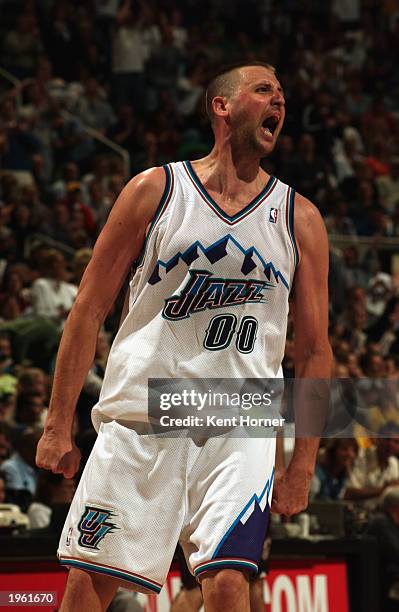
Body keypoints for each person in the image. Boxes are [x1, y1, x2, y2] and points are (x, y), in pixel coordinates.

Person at [36, 62, 332, 612]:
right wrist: (57, 423)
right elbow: (87, 310)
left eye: (283, 95)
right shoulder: (156, 189)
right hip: (145, 412)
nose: (279, 102)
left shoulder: (300, 218)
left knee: (226, 582)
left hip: (240, 420)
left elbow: (316, 351)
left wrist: (302, 465)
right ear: (222, 106)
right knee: (89, 586)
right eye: (264, 90)